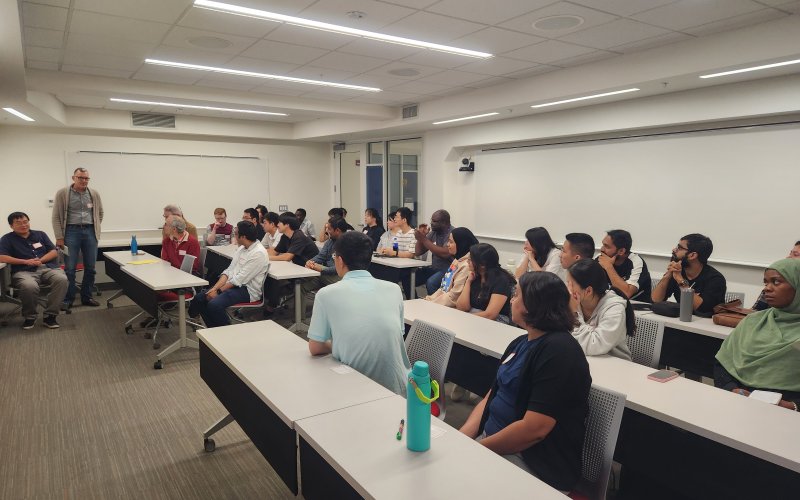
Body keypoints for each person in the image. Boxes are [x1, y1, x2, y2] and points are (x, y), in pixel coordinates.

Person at [459, 272, 591, 492]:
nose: (511, 300)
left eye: (516, 295)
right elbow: (491, 397)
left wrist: (477, 449)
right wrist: (461, 439)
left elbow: (534, 430)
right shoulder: (521, 341)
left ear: (531, 305)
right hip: (494, 444)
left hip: (533, 462)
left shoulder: (560, 351)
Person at [307, 231, 411, 396]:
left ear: (339, 260)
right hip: (400, 389)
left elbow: (315, 347)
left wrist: (339, 343)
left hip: (355, 388)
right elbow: (395, 334)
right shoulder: (394, 290)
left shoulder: (326, 294)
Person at [714, 258, 800, 412]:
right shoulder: (753, 321)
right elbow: (723, 364)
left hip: (786, 414)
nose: (767, 288)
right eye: (766, 282)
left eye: (776, 282)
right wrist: (732, 389)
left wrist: (793, 406)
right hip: (738, 403)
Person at [188, 221, 268, 328]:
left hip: (247, 290)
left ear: (243, 237)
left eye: (236, 234)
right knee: (200, 298)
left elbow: (239, 280)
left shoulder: (258, 253)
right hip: (232, 285)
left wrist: (218, 291)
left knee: (214, 305)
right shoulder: (241, 248)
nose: (234, 237)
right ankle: (213, 329)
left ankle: (226, 330)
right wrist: (214, 289)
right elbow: (229, 271)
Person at [0, 212, 69, 329]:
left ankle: (50, 315)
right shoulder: (7, 239)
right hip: (23, 271)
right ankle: (30, 316)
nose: (23, 225)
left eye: (25, 222)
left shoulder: (40, 234)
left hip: (47, 268)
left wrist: (40, 261)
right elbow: (2, 256)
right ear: (11, 226)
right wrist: (26, 261)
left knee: (62, 279)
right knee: (29, 286)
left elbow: (53, 251)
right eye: (18, 223)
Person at [52, 167, 103, 309]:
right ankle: (68, 299)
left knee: (91, 268)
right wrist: (59, 237)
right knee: (69, 268)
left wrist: (95, 227)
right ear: (73, 178)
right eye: (81, 178)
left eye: (86, 178)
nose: (84, 181)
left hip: (90, 232)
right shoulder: (63, 193)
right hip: (70, 232)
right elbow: (56, 216)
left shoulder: (94, 193)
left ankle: (87, 297)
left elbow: (100, 213)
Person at [566, 259, 634, 361]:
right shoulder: (573, 302)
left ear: (588, 291)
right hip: (585, 360)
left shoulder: (614, 308)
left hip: (615, 365)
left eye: (571, 285)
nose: (568, 289)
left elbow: (595, 345)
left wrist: (574, 314)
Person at [652, 233, 726, 315]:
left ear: (692, 255)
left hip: (704, 324)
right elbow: (656, 300)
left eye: (679, 248)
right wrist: (667, 276)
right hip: (680, 321)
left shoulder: (715, 279)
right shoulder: (678, 272)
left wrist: (681, 281)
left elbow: (702, 309)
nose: (674, 250)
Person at [264, 213, 319, 313]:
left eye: (280, 223)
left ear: (287, 225)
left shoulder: (299, 236)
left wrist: (268, 258)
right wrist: (263, 256)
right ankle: (271, 304)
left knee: (275, 281)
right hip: (297, 269)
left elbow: (287, 256)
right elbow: (274, 252)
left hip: (311, 272)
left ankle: (272, 306)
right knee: (270, 278)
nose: (277, 225)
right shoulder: (285, 237)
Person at [456, 243, 516, 323]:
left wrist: (465, 318)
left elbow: (490, 314)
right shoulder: (475, 276)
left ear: (482, 265)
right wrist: (468, 282)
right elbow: (462, 307)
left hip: (496, 321)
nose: (467, 262)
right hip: (474, 317)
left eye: (470, 259)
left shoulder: (501, 280)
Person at [425, 227, 479, 308]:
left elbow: (453, 298)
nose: (447, 245)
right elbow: (443, 288)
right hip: (444, 304)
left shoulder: (467, 265)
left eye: (451, 242)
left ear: (461, 243)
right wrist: (428, 300)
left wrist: (431, 304)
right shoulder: (458, 260)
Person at [597, 229, 652, 302]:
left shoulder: (636, 262)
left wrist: (609, 267)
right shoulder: (600, 258)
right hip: (609, 302)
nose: (602, 249)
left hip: (637, 307)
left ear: (621, 251)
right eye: (603, 245)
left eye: (607, 246)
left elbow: (626, 293)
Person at [302, 216, 348, 294]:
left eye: (329, 229)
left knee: (309, 276)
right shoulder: (330, 242)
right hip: (327, 275)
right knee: (301, 286)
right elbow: (321, 256)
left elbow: (339, 268)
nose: (327, 231)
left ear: (337, 230)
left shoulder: (347, 244)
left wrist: (321, 269)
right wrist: (310, 262)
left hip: (341, 277)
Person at [414, 209, 454, 295]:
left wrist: (423, 239)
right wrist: (421, 236)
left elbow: (445, 253)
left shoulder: (452, 233)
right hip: (435, 268)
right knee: (411, 278)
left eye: (435, 221)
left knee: (431, 283)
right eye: (431, 220)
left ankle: (437, 305)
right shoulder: (434, 233)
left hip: (450, 269)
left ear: (444, 222)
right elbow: (418, 252)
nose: (431, 223)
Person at [752, 241, 800, 310]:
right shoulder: (772, 286)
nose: (788, 257)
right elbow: (755, 311)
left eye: (795, 255)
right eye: (790, 253)